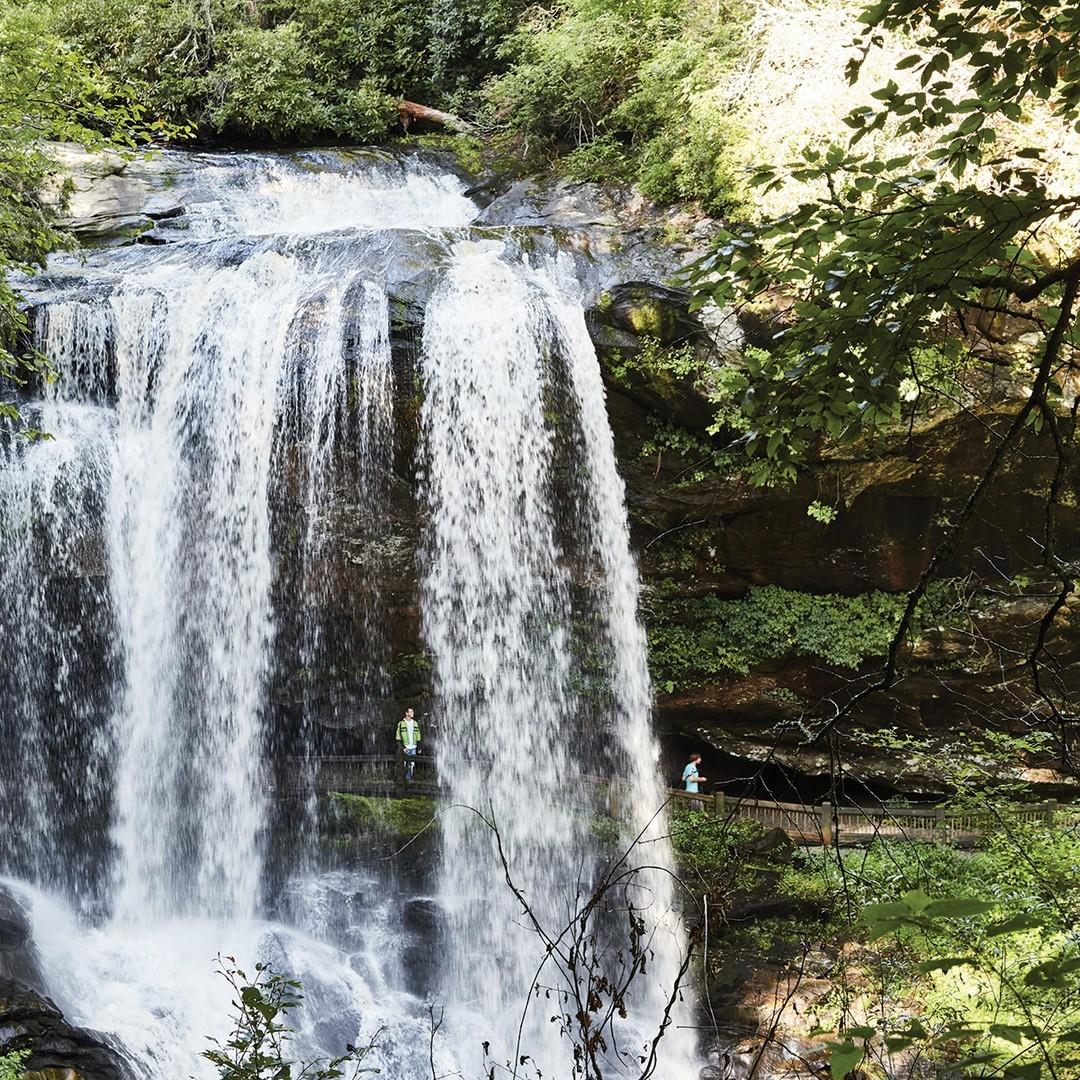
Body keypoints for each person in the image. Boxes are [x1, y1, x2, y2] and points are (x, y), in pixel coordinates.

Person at [396, 707, 421, 782]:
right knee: (404, 763)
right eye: (411, 712)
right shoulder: (401, 724)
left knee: (412, 764)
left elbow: (418, 735)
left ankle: (410, 779)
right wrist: (402, 747)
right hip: (406, 747)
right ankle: (404, 779)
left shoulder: (415, 723)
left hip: (413, 746)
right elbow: (398, 737)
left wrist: (419, 746)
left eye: (413, 712)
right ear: (406, 713)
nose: (412, 713)